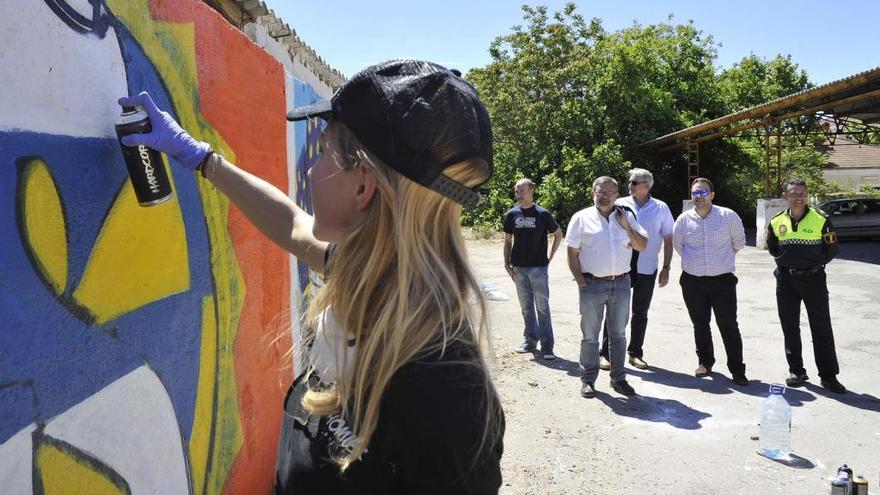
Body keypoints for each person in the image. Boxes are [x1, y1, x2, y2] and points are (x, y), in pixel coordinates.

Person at [118, 59, 505, 493]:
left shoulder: (448, 396)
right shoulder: (376, 276)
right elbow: (293, 227)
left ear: (363, 185)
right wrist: (201, 158)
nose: (309, 170)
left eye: (322, 152)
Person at [565, 177, 647, 398]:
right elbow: (572, 252)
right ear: (593, 193)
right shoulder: (581, 218)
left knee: (619, 335)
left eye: (610, 193)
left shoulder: (626, 216)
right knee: (590, 336)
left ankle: (618, 379)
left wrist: (627, 227)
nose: (605, 196)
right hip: (592, 284)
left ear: (617, 195)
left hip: (621, 283)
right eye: (600, 192)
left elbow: (642, 245)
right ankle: (588, 380)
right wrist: (580, 279)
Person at [767, 178, 846, 393]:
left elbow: (831, 249)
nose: (799, 196)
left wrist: (812, 264)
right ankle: (797, 371)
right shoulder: (776, 221)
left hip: (814, 280)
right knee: (789, 326)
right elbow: (773, 247)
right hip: (786, 280)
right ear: (785, 196)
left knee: (821, 327)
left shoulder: (822, 219)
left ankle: (828, 376)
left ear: (807, 195)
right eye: (794, 193)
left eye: (802, 192)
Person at [672, 178, 749, 386]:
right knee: (700, 324)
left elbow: (739, 243)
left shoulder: (728, 216)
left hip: (723, 282)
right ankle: (705, 362)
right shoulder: (683, 220)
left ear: (712, 195)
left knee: (729, 325)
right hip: (692, 282)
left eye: (703, 192)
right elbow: (680, 247)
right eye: (695, 192)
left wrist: (719, 262)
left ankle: (737, 369)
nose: (699, 196)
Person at [597, 168, 674, 370]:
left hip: (647, 268)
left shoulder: (661, 208)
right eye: (630, 182)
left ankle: (635, 353)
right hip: (621, 268)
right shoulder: (619, 203)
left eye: (634, 182)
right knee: (614, 312)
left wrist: (666, 267)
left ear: (646, 186)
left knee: (640, 312)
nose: (629, 185)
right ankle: (605, 353)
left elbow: (668, 238)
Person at [504, 178, 562, 360]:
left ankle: (547, 347)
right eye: (516, 191)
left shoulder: (542, 214)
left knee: (542, 308)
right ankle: (530, 341)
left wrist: (550, 258)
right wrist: (506, 263)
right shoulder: (511, 214)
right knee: (526, 308)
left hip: (538, 268)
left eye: (522, 191)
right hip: (519, 268)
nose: (518, 194)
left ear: (531, 191)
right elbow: (507, 241)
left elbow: (558, 235)